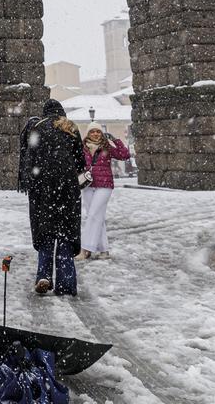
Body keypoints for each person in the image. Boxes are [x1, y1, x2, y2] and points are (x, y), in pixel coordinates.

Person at [18, 99, 86, 296]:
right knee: (65, 234)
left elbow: (29, 159)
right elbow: (79, 161)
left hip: (42, 189)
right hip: (67, 189)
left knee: (46, 233)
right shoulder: (70, 127)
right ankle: (65, 283)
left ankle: (44, 275)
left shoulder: (36, 128)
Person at [78, 123, 131, 260]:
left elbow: (125, 155)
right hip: (87, 184)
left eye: (98, 131)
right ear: (88, 133)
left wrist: (116, 140)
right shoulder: (82, 148)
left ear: (101, 133)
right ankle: (104, 250)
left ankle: (85, 249)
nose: (95, 134)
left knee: (93, 215)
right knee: (95, 216)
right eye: (92, 131)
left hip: (104, 185)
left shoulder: (107, 147)